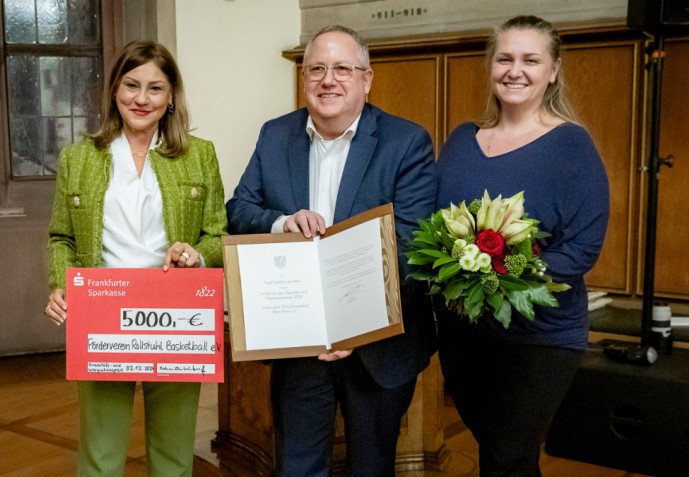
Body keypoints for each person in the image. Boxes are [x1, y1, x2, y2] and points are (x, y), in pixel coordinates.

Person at [226, 25, 437, 477]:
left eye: (342, 68)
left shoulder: (406, 143)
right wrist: (282, 222)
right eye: (317, 68)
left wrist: (350, 323)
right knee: (298, 467)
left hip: (378, 348)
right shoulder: (274, 135)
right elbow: (239, 209)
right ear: (303, 79)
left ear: (367, 78)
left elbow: (414, 246)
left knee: (371, 468)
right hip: (298, 342)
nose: (328, 79)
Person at [435, 15, 610, 477]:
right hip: (463, 332)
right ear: (491, 66)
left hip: (541, 335)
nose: (515, 70)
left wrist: (493, 274)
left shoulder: (572, 146)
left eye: (531, 60)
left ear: (553, 70)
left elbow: (580, 250)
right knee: (500, 452)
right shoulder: (460, 140)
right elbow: (435, 230)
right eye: (505, 58)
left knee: (506, 455)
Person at [43, 40, 227, 476]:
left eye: (155, 88)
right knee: (101, 456)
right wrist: (60, 284)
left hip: (178, 315)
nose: (141, 99)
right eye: (131, 85)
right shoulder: (78, 158)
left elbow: (218, 235)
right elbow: (60, 237)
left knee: (173, 455)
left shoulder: (199, 155)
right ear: (114, 90)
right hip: (103, 314)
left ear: (170, 98)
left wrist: (196, 255)